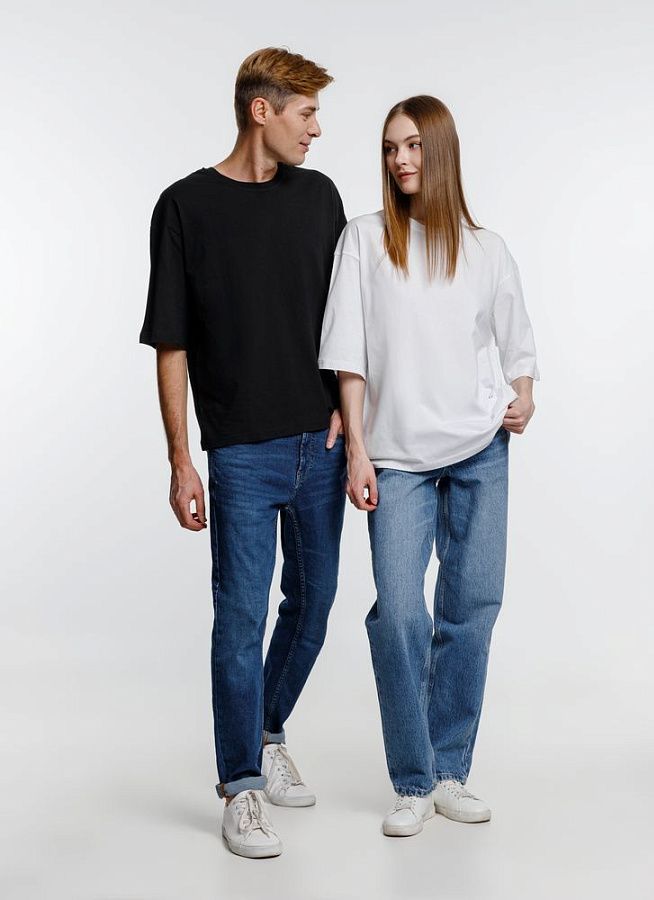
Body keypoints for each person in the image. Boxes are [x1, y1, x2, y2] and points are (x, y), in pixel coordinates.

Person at [139, 48, 347, 859]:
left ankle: (265, 730)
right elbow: (171, 343)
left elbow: (348, 319)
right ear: (262, 111)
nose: (316, 129)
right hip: (240, 453)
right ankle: (240, 785)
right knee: (239, 616)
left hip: (321, 443)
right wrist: (180, 460)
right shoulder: (184, 206)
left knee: (314, 604)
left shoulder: (319, 197)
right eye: (306, 113)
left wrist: (351, 418)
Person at [318, 95, 539, 837]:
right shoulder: (363, 239)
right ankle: (412, 780)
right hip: (394, 457)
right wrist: (356, 447)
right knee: (401, 613)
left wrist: (523, 393)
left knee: (471, 607)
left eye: (412, 146)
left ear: (439, 151)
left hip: (479, 447)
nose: (399, 160)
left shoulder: (485, 249)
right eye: (390, 148)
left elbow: (517, 339)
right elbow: (347, 355)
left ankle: (449, 773)